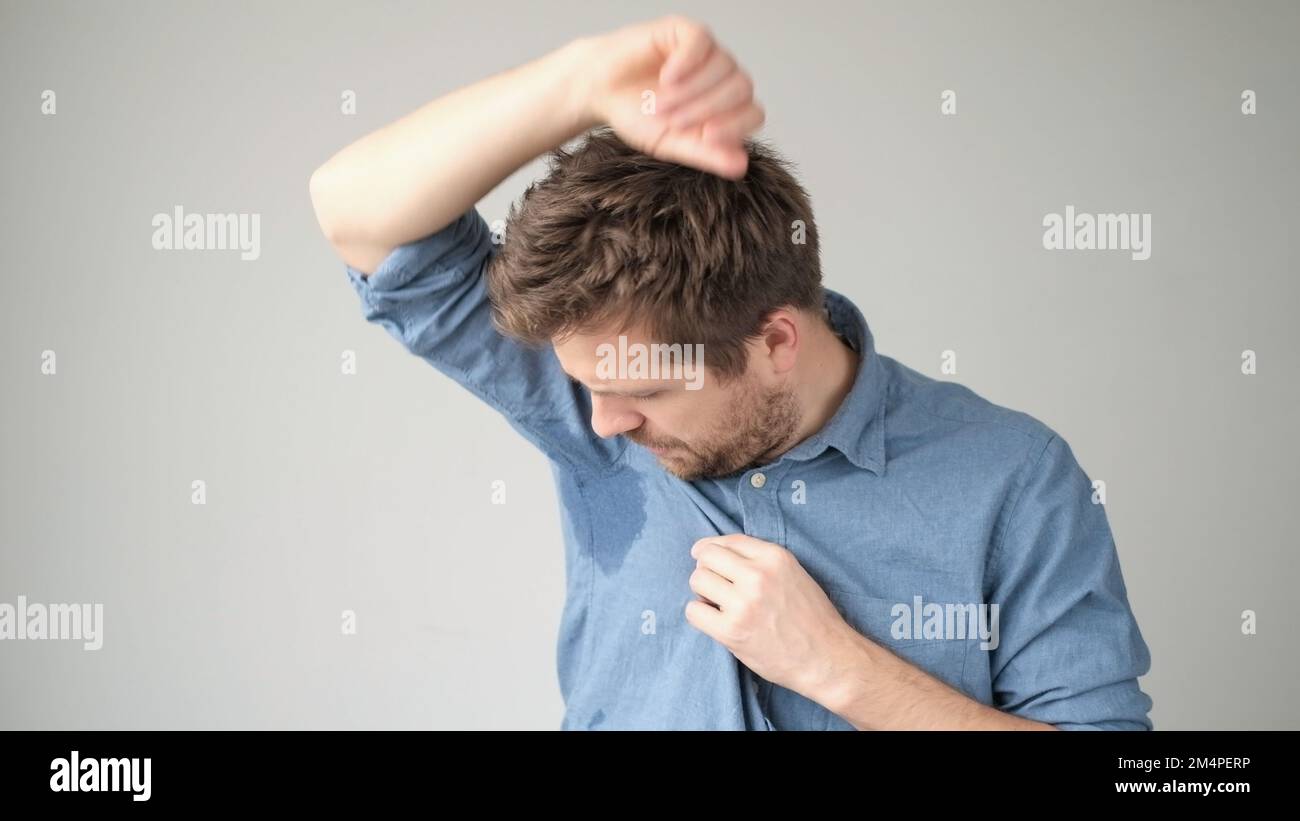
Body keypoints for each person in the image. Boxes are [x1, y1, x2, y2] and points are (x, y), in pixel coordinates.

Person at [309, 15, 1153, 730]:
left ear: (776, 341)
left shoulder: (1014, 477)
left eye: (642, 389)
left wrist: (843, 670)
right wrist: (580, 84)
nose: (603, 421)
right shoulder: (598, 409)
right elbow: (354, 210)